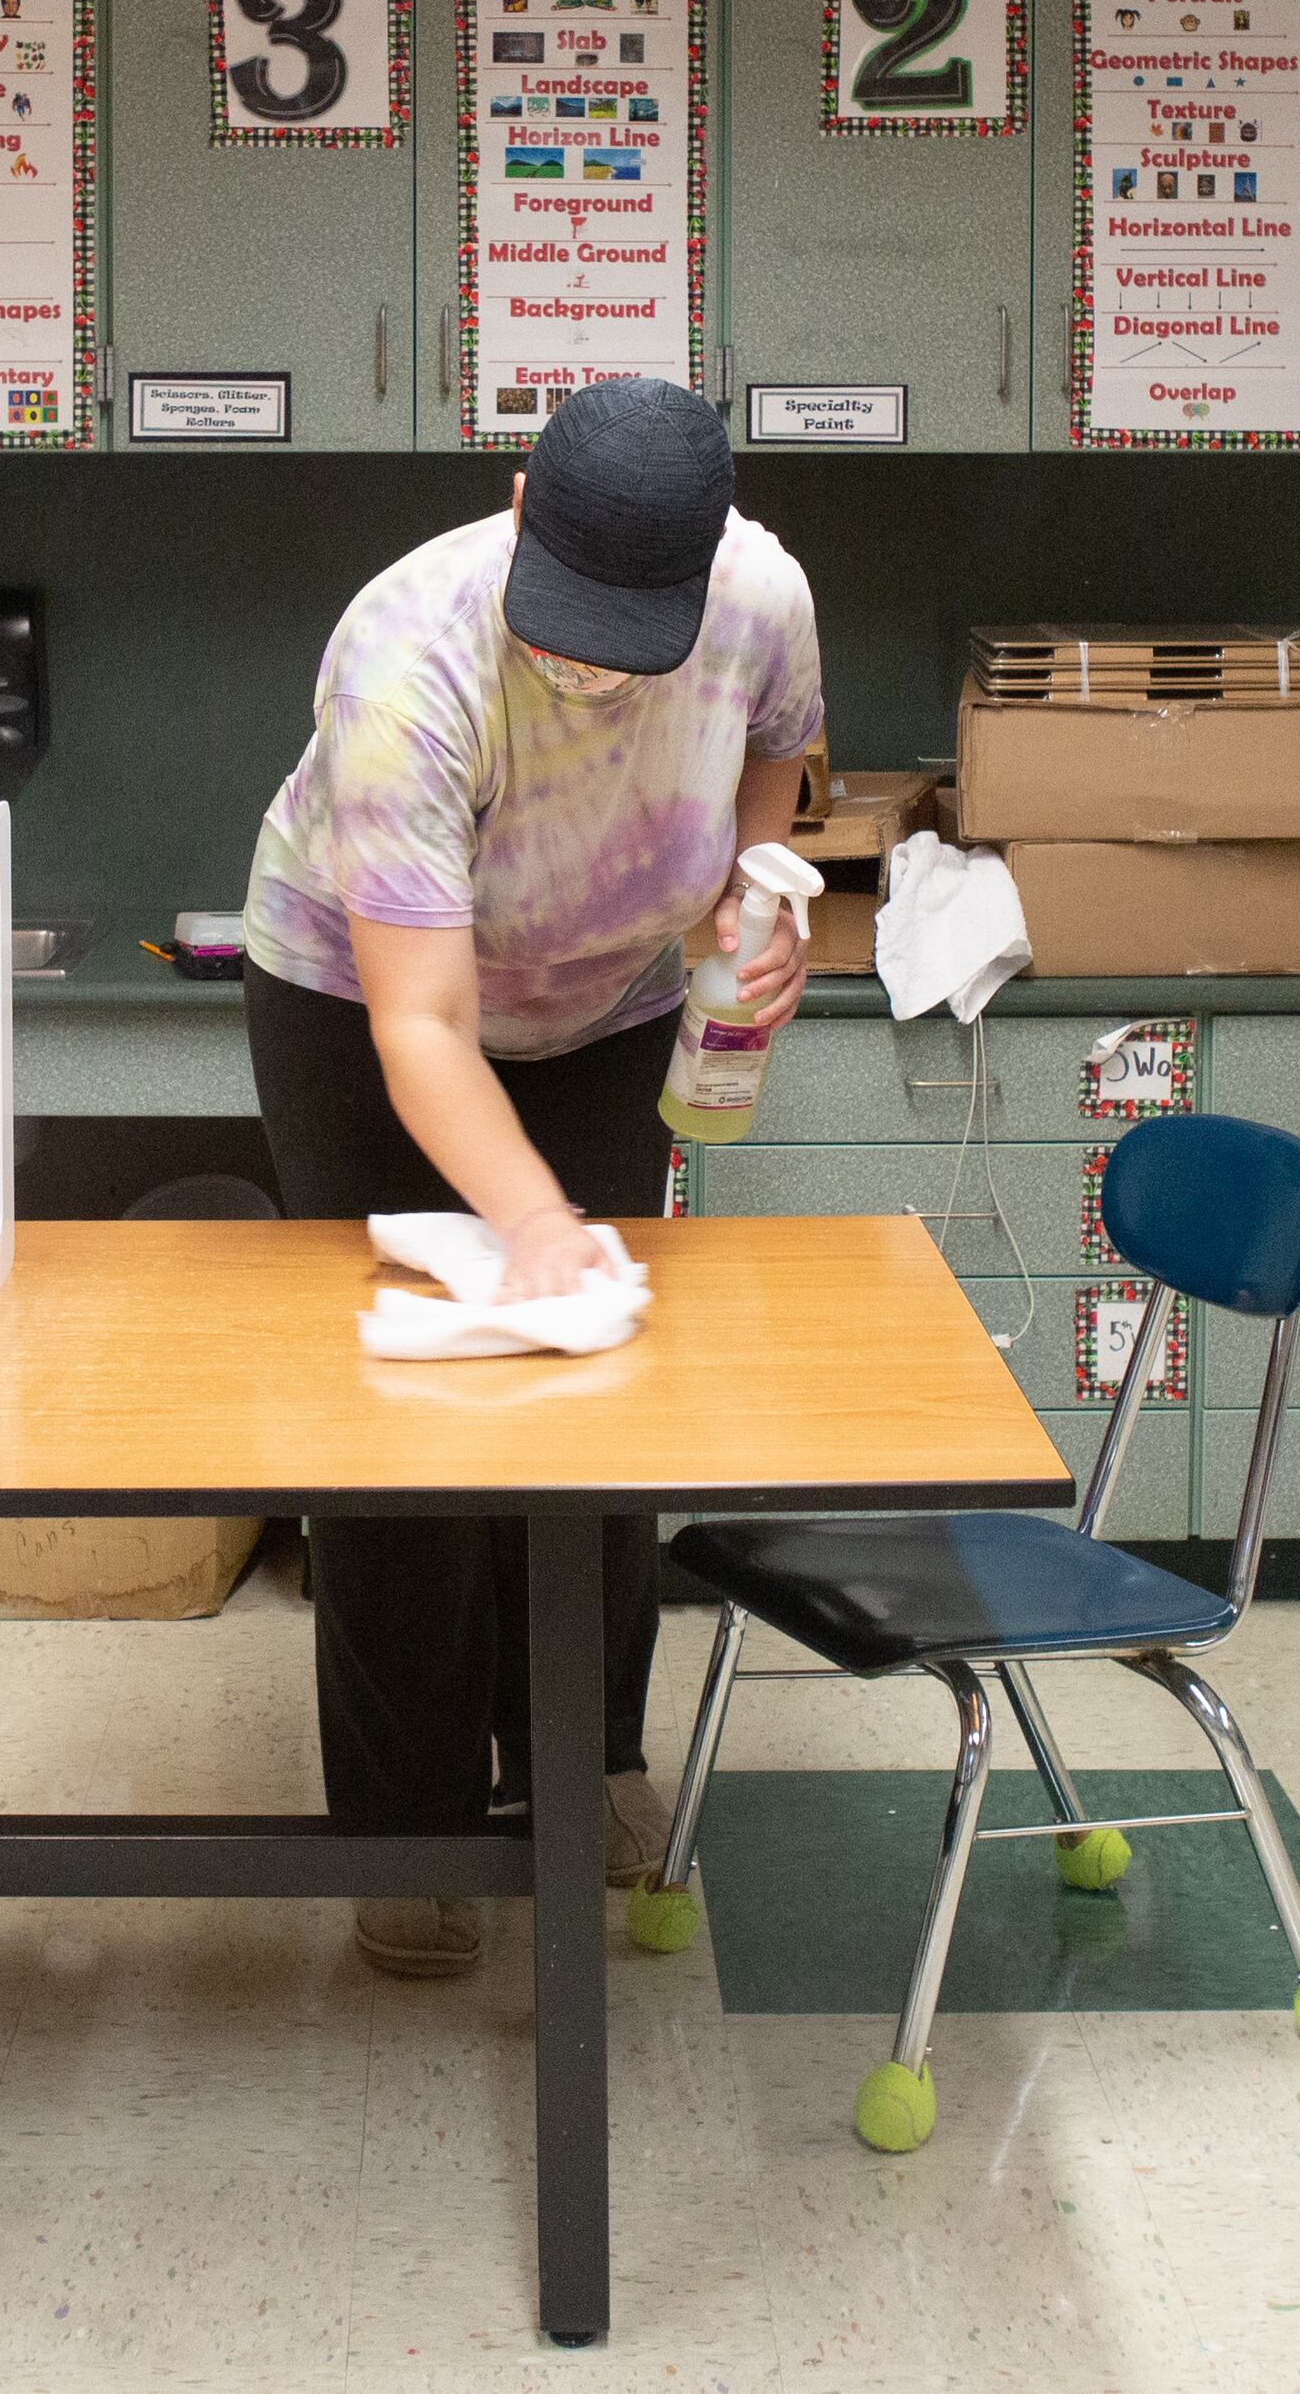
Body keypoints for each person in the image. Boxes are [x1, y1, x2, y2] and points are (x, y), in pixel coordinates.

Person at [237, 376, 822, 1981]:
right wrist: (538, 1217)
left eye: (625, 635)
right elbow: (422, 1020)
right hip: (364, 1009)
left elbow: (777, 774)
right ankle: (408, 1816)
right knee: (408, 1433)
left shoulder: (762, 600)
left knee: (601, 1405)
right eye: (563, 623)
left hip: (612, 1004)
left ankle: (584, 1759)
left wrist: (746, 928)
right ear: (515, 505)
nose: (581, 665)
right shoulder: (406, 655)